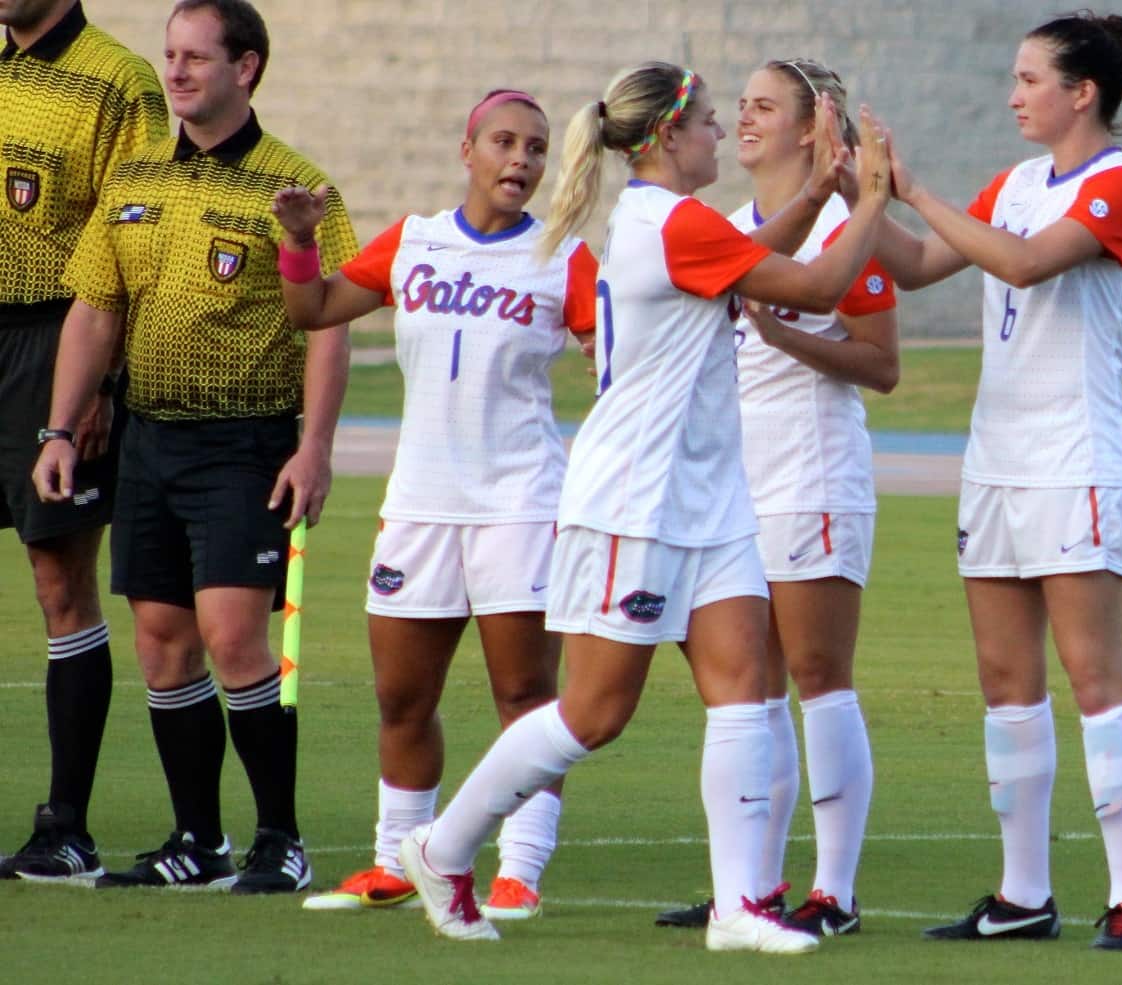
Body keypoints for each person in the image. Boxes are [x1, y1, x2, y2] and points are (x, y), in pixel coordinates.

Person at [391, 61, 894, 950]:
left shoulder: (681, 222)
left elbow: (768, 250)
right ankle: (444, 844)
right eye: (705, 121)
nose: (718, 134)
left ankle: (740, 905)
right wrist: (866, 202)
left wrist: (821, 189)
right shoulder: (670, 221)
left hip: (708, 496)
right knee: (595, 712)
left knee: (743, 688)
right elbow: (813, 287)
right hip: (633, 499)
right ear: (667, 136)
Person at [30, 0, 358, 894]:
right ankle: (196, 841)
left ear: (246, 68)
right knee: (163, 642)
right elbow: (96, 309)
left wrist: (315, 446)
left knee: (234, 635)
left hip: (243, 441)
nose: (175, 72)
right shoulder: (133, 181)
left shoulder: (300, 189)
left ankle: (280, 838)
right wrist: (60, 428)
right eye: (170, 56)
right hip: (147, 441)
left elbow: (329, 327)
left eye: (196, 58)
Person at [872, 12, 1122, 951]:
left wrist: (913, 187)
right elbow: (916, 267)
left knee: (1094, 677)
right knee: (1005, 682)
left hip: (1073, 461)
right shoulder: (1015, 182)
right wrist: (860, 198)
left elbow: (1027, 265)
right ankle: (1023, 893)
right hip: (993, 463)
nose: (1013, 94)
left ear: (1083, 92)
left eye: (1030, 78)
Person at [272, 89, 597, 919]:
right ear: (468, 150)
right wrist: (300, 243)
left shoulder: (565, 259)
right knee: (402, 698)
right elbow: (312, 310)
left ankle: (519, 869)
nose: (520, 160)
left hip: (521, 504)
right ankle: (394, 859)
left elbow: (616, 364)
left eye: (535, 147)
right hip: (419, 506)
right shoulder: (413, 242)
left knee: (525, 699)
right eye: (504, 143)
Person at [655, 57, 898, 938]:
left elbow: (884, 365)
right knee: (747, 687)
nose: (744, 120)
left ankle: (833, 889)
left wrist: (785, 340)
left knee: (820, 679)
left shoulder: (843, 224)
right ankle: (749, 886)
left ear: (811, 127)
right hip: (735, 486)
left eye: (765, 107)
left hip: (813, 474)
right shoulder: (726, 226)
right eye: (741, 107)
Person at [0, 0, 167, 883]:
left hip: (54, 344)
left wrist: (101, 383)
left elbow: (134, 239)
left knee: (60, 579)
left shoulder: (118, 81)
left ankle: (65, 826)